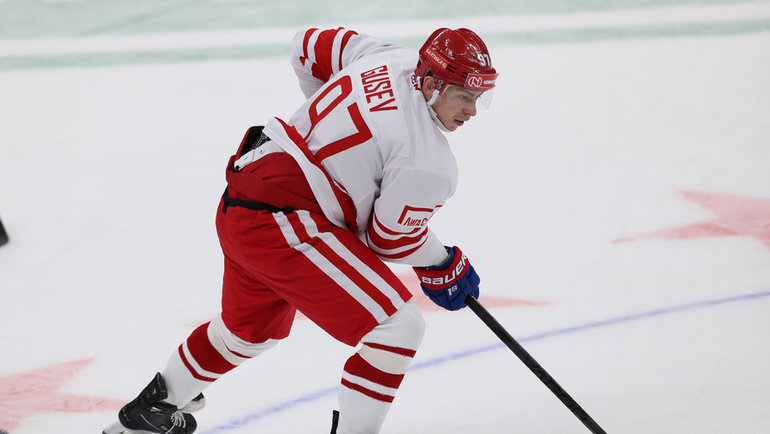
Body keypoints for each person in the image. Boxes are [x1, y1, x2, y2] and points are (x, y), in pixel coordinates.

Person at [103, 25, 498, 434]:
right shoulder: (427, 161)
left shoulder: (387, 56)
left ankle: (148, 414)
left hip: (247, 190)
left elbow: (307, 46)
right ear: (431, 84)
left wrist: (325, 131)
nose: (472, 110)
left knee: (248, 334)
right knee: (397, 328)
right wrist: (442, 262)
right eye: (463, 96)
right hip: (285, 220)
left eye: (478, 97)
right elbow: (389, 240)